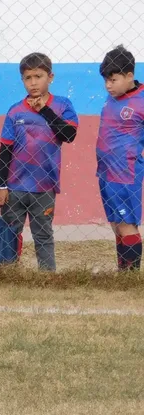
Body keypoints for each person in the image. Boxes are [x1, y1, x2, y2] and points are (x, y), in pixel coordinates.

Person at [0, 53, 78, 272]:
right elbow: (5, 150)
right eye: (27, 77)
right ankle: (8, 271)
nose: (33, 82)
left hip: (45, 186)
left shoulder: (62, 106)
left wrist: (45, 110)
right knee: (11, 231)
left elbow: (68, 135)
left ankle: (47, 275)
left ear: (50, 77)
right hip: (15, 187)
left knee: (43, 233)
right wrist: (0, 186)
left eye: (38, 76)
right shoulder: (14, 111)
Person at [97, 46, 144, 271]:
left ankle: (131, 277)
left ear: (129, 76)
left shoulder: (142, 100)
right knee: (116, 224)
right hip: (105, 171)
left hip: (125, 172)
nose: (108, 85)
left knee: (127, 224)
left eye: (113, 80)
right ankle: (122, 271)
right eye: (106, 80)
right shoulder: (112, 97)